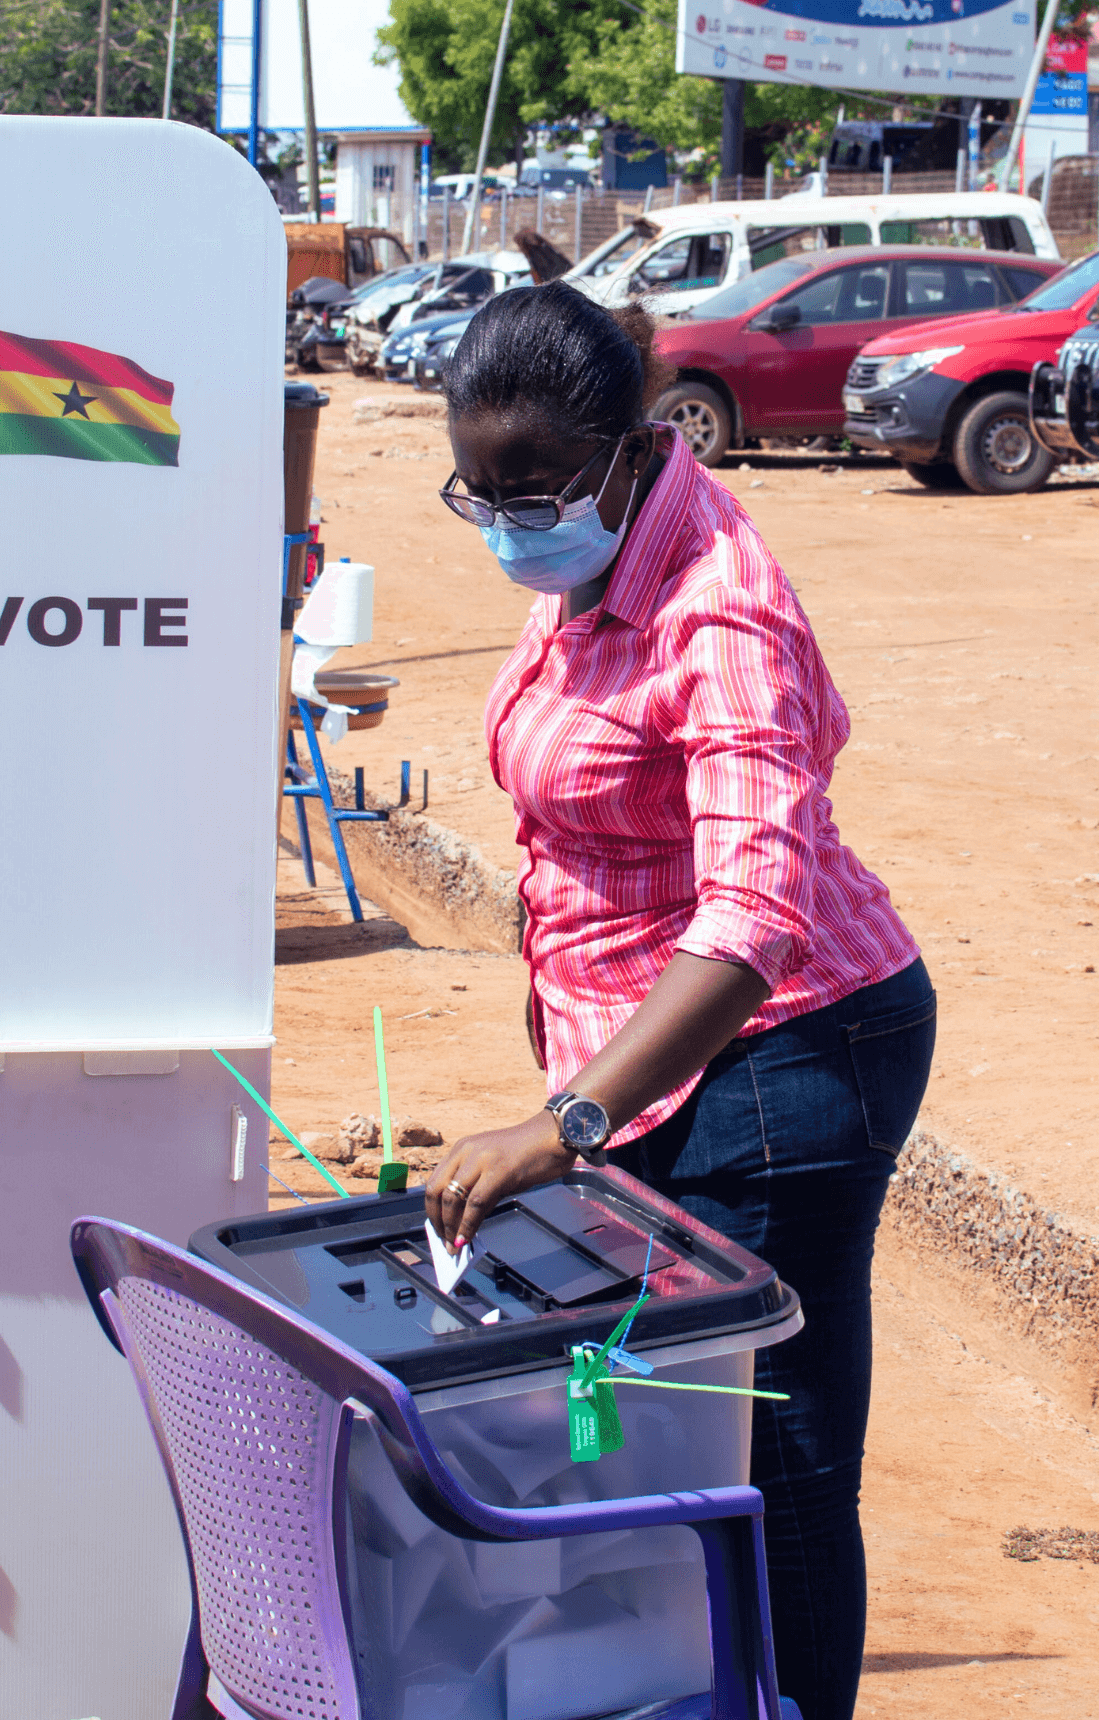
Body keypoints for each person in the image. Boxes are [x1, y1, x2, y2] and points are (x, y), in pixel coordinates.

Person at [423, 280, 935, 1720]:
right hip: (647, 1058)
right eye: (487, 492)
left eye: (543, 489)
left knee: (775, 1466)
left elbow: (756, 923)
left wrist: (566, 1125)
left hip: (788, 1059)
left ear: (635, 447)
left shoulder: (723, 613)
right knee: (661, 1441)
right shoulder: (585, 556)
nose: (518, 519)